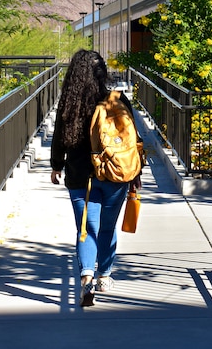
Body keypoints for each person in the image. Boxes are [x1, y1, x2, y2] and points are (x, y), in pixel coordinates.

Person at [50, 49, 140, 307]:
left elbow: (58, 138)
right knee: (107, 227)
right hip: (115, 175)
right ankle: (104, 276)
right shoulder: (117, 100)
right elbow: (134, 140)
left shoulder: (69, 104)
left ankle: (86, 274)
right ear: (103, 73)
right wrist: (136, 173)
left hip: (80, 178)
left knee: (86, 229)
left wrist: (56, 166)